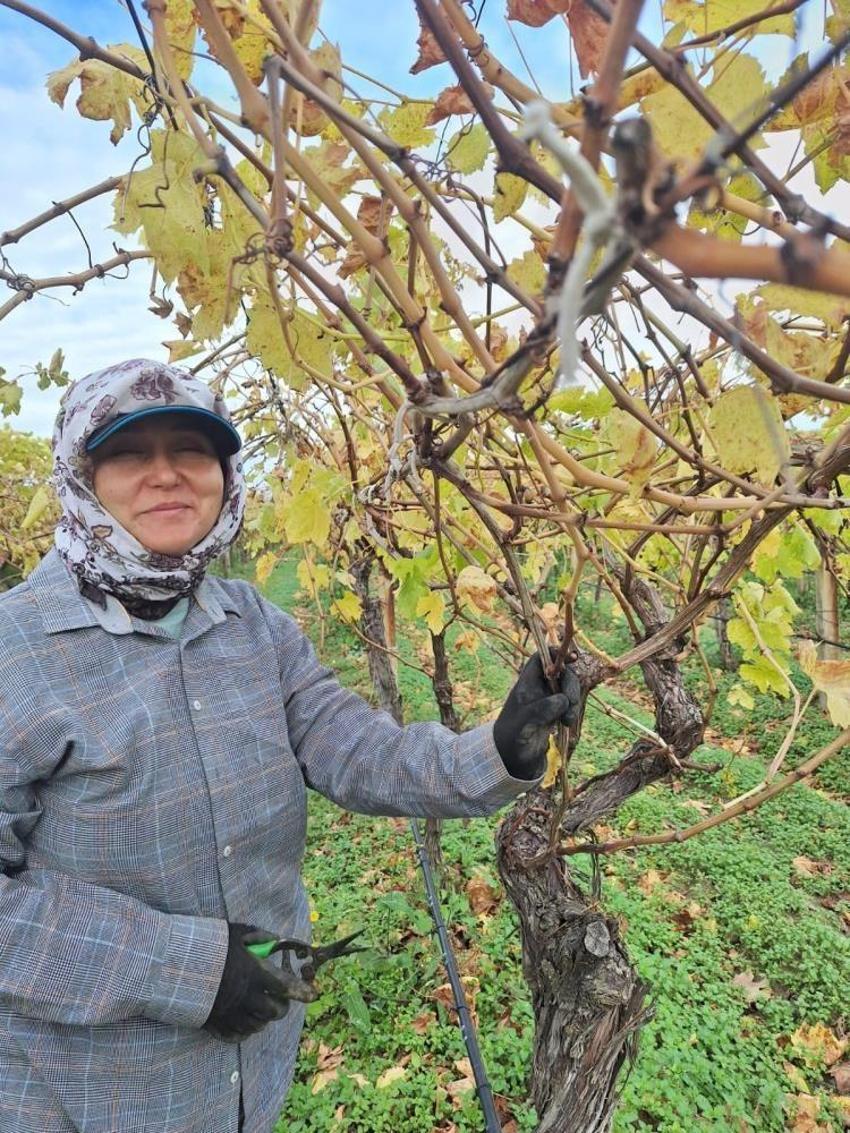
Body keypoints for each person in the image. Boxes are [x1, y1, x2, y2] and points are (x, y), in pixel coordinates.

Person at [0, 359, 580, 1133]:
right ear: (82, 472)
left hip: (252, 1067)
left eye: (193, 450)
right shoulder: (16, 650)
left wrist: (500, 745)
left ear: (223, 473)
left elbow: (351, 746)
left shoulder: (254, 624)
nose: (167, 474)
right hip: (87, 1095)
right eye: (131, 452)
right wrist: (187, 969)